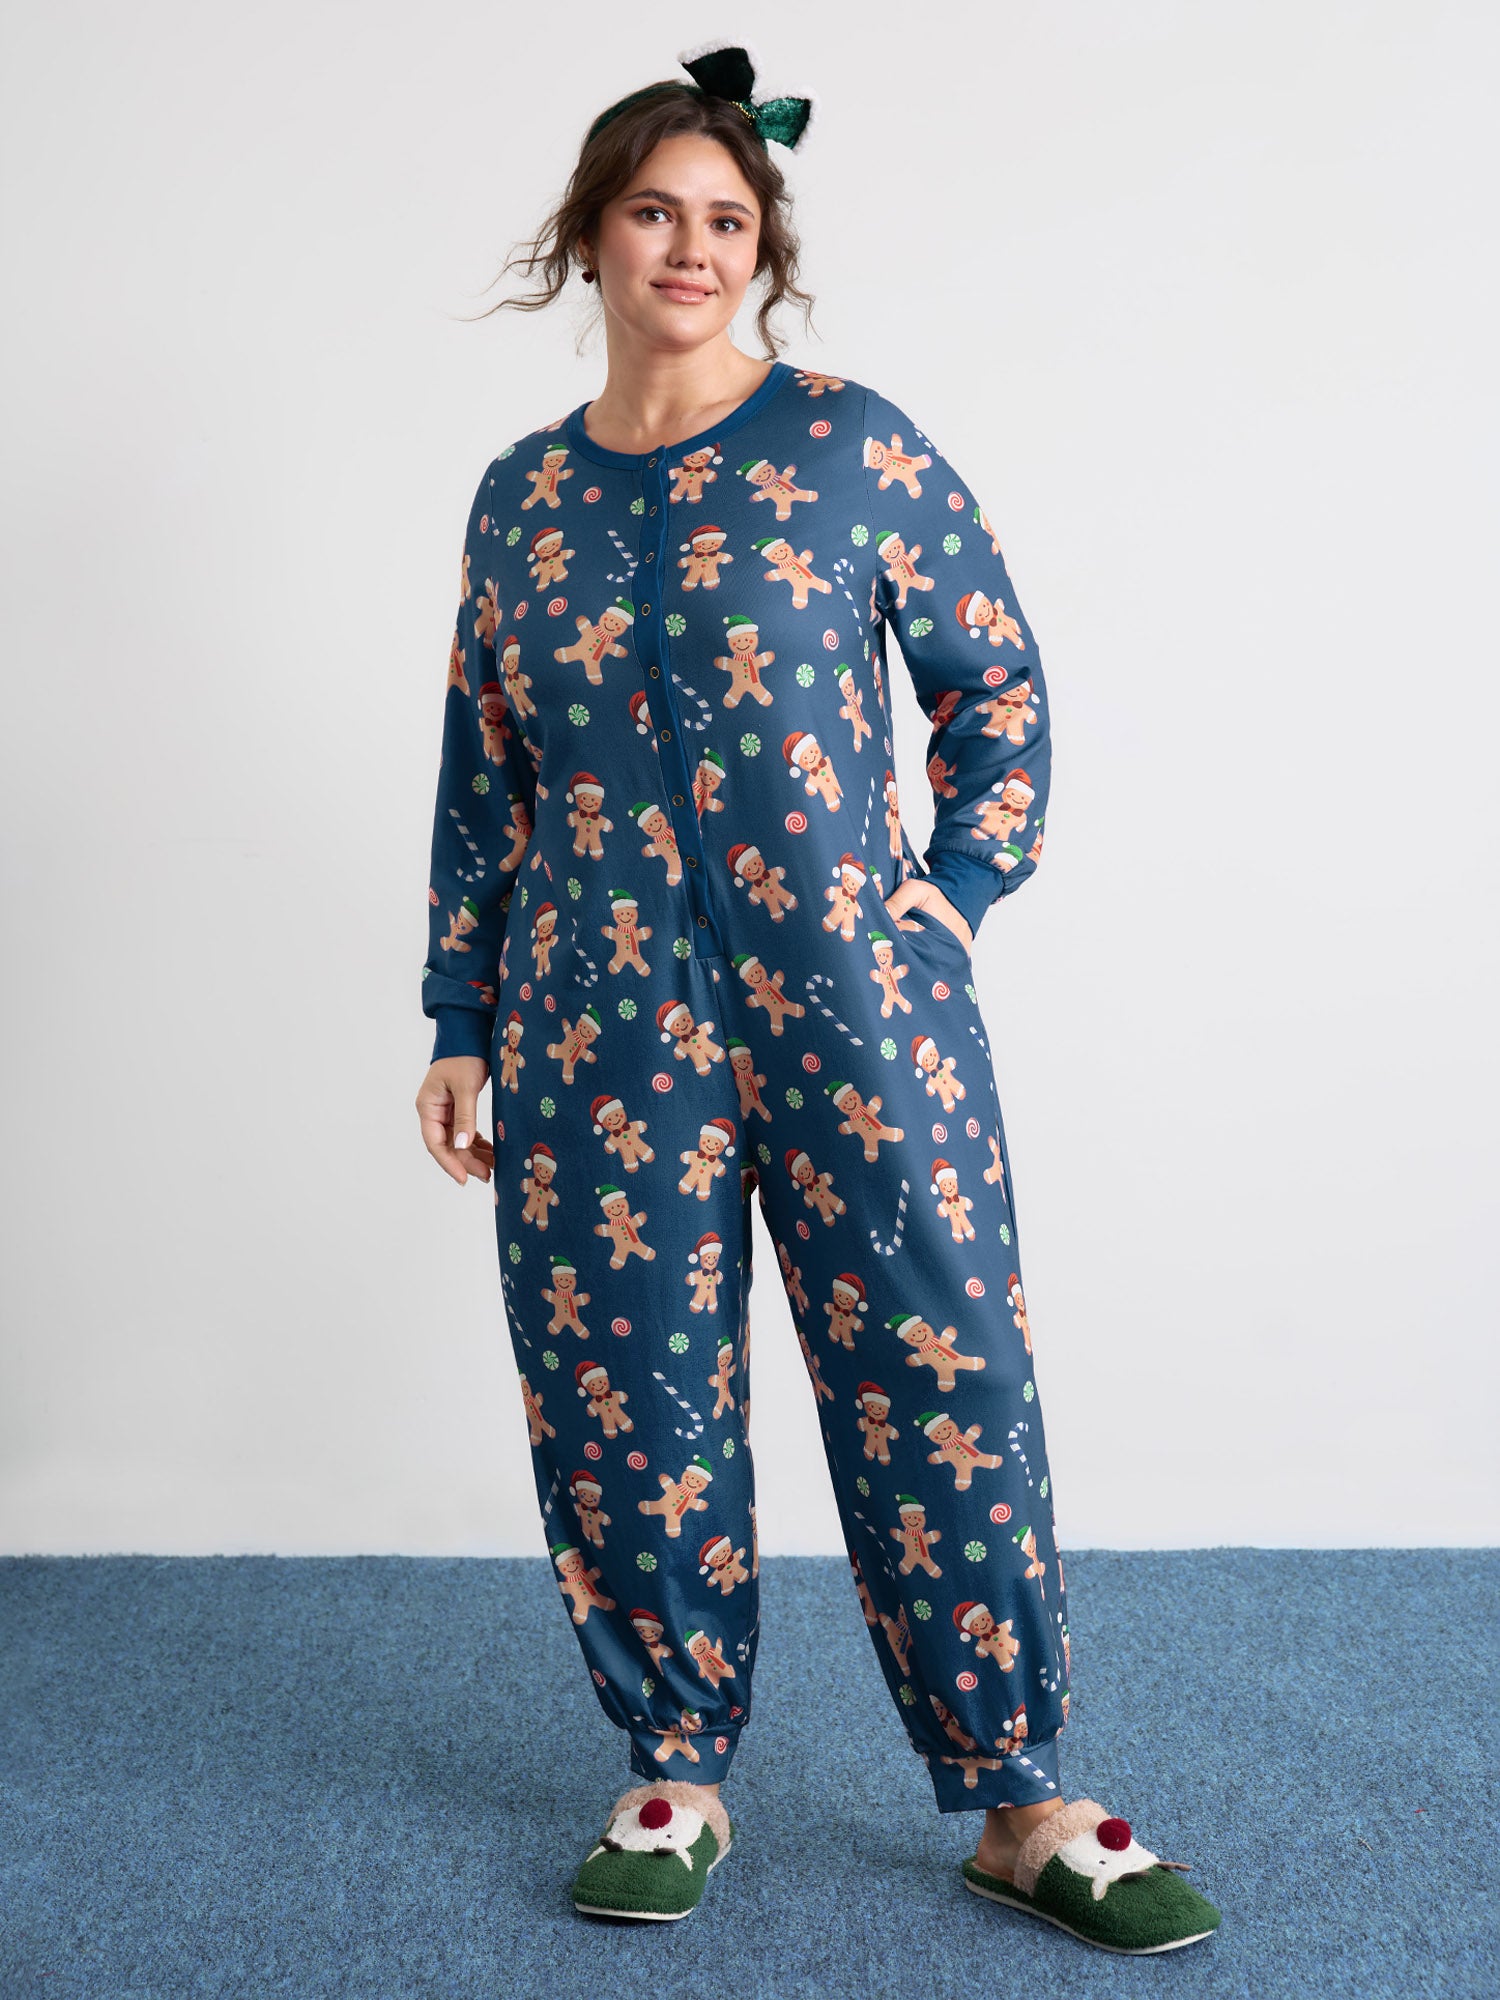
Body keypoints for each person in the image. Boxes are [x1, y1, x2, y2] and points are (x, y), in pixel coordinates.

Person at [413, 41, 1221, 1953]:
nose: (692, 247)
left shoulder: (852, 446)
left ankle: (1020, 1799)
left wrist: (957, 893)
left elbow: (993, 678)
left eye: (727, 218)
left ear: (762, 250)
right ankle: (673, 1767)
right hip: (594, 1020)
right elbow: (484, 769)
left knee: (939, 1369)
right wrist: (456, 1015)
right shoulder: (521, 499)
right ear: (592, 235)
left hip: (858, 1006)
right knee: (625, 1385)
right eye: (654, 211)